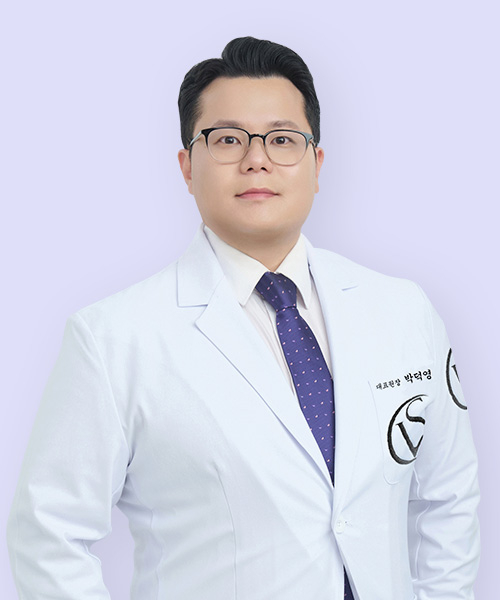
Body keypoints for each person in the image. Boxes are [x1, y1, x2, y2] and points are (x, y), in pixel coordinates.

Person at [6, 36, 480, 599]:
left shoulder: (402, 310)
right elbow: (50, 533)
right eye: (228, 139)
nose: (257, 159)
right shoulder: (113, 339)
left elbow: (448, 497)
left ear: (316, 164)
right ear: (187, 166)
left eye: (282, 139)